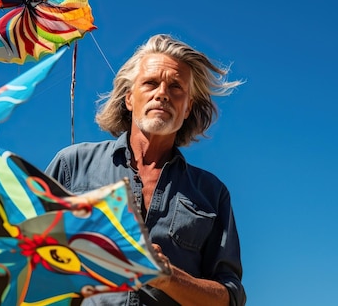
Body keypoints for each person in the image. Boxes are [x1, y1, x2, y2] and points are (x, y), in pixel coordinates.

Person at [45, 34, 246, 306]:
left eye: (176, 87)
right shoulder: (72, 166)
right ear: (129, 98)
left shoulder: (212, 193)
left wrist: (167, 277)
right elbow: (26, 259)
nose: (162, 93)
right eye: (150, 83)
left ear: (187, 108)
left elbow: (229, 297)